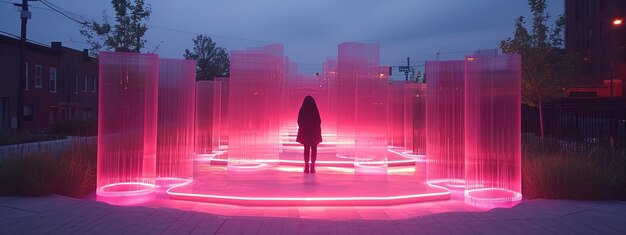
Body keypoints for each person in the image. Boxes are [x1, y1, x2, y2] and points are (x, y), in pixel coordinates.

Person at [296, 95, 322, 173]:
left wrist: (303, 128)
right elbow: (319, 121)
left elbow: (299, 121)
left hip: (306, 134)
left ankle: (306, 166)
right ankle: (313, 166)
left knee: (306, 149)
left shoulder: (302, 110)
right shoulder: (315, 110)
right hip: (314, 133)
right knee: (314, 149)